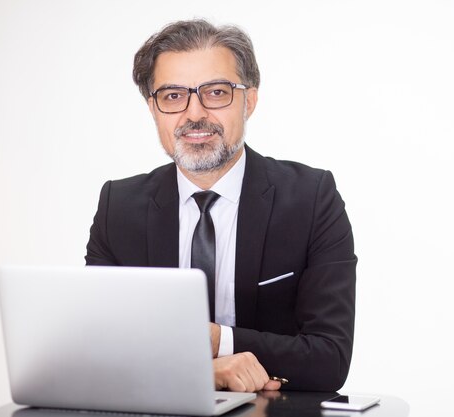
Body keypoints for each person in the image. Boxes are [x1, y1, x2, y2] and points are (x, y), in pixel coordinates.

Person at [85, 19, 356, 393]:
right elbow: (97, 350)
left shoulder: (312, 199)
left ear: (250, 101)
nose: (194, 114)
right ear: (153, 108)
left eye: (216, 92)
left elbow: (330, 358)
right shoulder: (119, 207)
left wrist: (217, 341)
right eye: (173, 96)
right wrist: (204, 371)